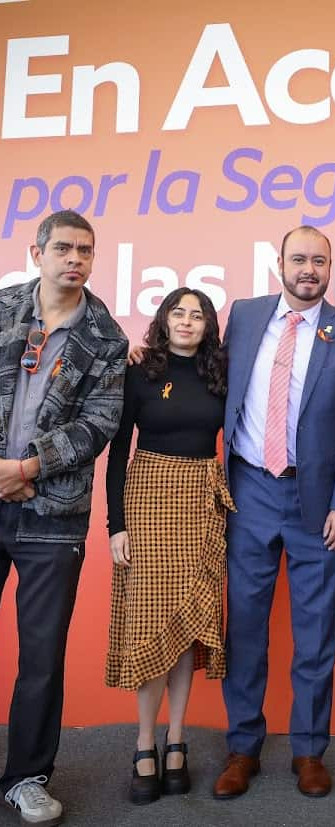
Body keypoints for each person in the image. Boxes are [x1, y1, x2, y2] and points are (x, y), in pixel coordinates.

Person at [212, 225, 335, 800]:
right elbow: (208, 377)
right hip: (249, 492)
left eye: (319, 261)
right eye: (299, 259)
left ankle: (308, 750)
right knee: (244, 628)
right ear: (279, 263)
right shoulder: (245, 315)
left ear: (331, 267)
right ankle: (242, 748)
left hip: (318, 503)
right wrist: (149, 356)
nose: (309, 269)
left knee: (315, 633)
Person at [0, 210, 127, 825]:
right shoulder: (3, 310)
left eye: (86, 250)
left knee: (41, 656)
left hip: (53, 515)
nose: (75, 259)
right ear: (37, 253)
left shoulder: (107, 337)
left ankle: (26, 777)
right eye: (64, 248)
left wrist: (25, 468)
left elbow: (98, 424)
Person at [105, 288, 233, 805]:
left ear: (208, 326)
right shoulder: (140, 371)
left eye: (197, 315)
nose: (186, 321)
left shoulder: (220, 373)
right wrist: (116, 526)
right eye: (178, 312)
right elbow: (118, 452)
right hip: (148, 503)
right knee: (152, 624)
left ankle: (176, 740)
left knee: (187, 628)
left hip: (202, 503)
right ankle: (144, 743)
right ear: (164, 319)